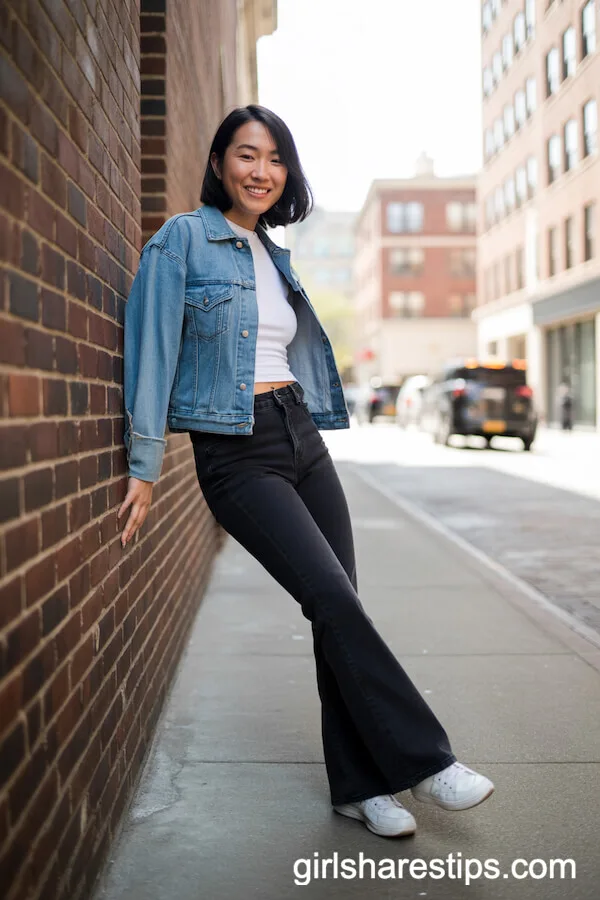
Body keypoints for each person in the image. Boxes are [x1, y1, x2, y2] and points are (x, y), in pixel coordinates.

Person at [118, 105, 494, 838]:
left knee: (338, 607)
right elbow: (152, 350)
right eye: (247, 156)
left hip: (300, 438)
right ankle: (426, 761)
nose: (261, 172)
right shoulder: (182, 241)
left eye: (275, 159)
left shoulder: (274, 254)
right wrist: (142, 466)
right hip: (236, 452)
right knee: (332, 597)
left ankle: (358, 786)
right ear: (221, 162)